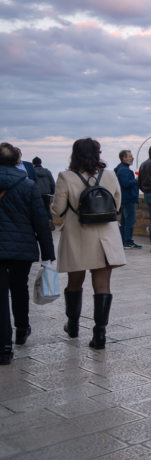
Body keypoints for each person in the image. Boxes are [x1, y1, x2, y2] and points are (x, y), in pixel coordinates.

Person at [52, 138, 126, 350]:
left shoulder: (65, 177)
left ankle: (73, 325)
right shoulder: (110, 175)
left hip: (78, 235)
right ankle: (99, 333)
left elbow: (57, 211)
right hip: (105, 236)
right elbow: (117, 204)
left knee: (75, 282)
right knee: (102, 284)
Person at [0, 142, 55, 364]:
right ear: (17, 161)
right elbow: (40, 221)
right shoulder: (28, 185)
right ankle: (22, 328)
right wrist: (48, 252)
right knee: (19, 287)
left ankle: (4, 347)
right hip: (21, 248)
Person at [114, 150, 141, 249]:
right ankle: (128, 242)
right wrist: (136, 180)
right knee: (129, 221)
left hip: (124, 199)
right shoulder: (124, 170)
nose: (132, 158)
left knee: (124, 221)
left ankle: (123, 241)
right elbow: (126, 183)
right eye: (130, 156)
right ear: (124, 158)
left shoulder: (119, 168)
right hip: (128, 198)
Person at [31, 157, 55, 225]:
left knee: (37, 209)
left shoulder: (32, 172)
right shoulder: (47, 171)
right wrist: (52, 192)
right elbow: (52, 183)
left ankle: (39, 224)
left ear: (33, 163)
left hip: (36, 193)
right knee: (47, 209)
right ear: (40, 163)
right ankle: (49, 220)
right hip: (47, 194)